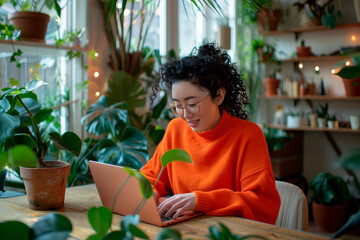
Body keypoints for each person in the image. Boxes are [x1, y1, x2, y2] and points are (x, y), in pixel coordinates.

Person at [141, 41, 280, 224]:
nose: (185, 114)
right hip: (184, 231)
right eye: (178, 106)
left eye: (192, 104)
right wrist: (150, 194)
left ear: (219, 96)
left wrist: (201, 201)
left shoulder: (248, 135)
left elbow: (263, 204)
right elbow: (150, 176)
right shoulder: (176, 129)